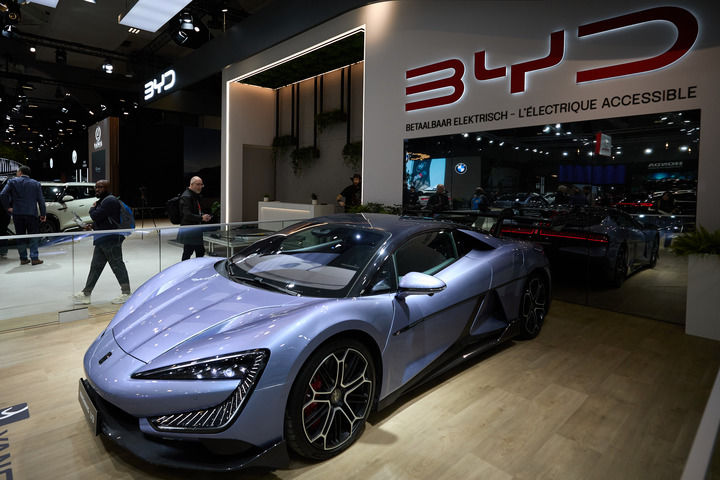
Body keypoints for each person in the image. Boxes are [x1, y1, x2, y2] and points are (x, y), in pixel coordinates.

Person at [73, 180, 131, 305]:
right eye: (96, 187)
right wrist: (92, 226)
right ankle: (86, 293)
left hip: (111, 239)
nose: (97, 189)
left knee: (117, 265)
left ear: (107, 188)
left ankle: (126, 293)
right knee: (96, 267)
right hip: (102, 239)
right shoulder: (103, 201)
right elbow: (104, 220)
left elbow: (95, 215)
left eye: (101, 187)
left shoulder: (109, 201)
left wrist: (92, 209)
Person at [0, 165, 46, 265]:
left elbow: (3, 194)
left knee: (20, 236)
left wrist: (8, 207)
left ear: (20, 172)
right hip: (31, 213)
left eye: (17, 172)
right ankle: (34, 258)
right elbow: (41, 200)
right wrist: (43, 214)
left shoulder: (12, 182)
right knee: (33, 236)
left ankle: (23, 258)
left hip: (17, 213)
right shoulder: (36, 183)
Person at [178, 176, 212, 261]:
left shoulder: (194, 195)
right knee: (189, 252)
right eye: (198, 184)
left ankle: (194, 267)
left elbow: (196, 211)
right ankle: (185, 268)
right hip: (190, 230)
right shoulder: (186, 196)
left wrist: (203, 216)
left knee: (198, 251)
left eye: (201, 184)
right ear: (191, 184)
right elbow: (187, 215)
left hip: (194, 229)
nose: (200, 187)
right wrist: (201, 218)